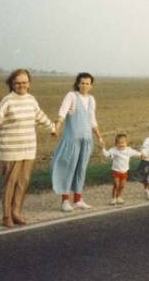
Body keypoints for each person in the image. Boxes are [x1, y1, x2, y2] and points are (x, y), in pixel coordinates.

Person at [0, 69, 56, 227]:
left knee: (22, 182)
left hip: (28, 148)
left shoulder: (31, 100)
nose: (21, 85)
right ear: (12, 84)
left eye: (24, 82)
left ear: (29, 83)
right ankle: (6, 216)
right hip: (11, 150)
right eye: (18, 83)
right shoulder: (7, 101)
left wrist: (53, 128)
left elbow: (40, 116)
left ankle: (16, 212)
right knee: (10, 183)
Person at [51, 72, 104, 212]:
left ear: (91, 85)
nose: (85, 86)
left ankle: (78, 199)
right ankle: (65, 201)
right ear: (78, 83)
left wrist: (99, 136)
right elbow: (62, 113)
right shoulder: (72, 96)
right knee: (68, 168)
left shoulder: (92, 100)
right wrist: (57, 127)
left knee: (81, 169)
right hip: (72, 140)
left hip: (86, 140)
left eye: (87, 83)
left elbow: (93, 120)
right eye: (82, 83)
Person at [101, 134, 144, 205]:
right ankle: (113, 198)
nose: (121, 144)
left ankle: (119, 197)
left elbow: (136, 153)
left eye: (123, 142)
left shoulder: (128, 150)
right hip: (116, 171)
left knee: (122, 185)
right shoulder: (114, 150)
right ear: (115, 144)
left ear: (126, 143)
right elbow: (106, 154)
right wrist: (103, 148)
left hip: (124, 172)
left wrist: (141, 155)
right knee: (116, 184)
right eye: (119, 143)